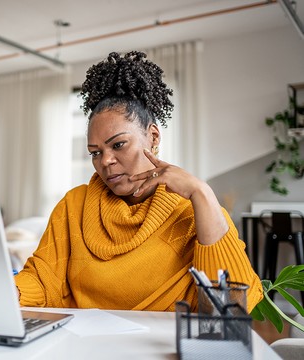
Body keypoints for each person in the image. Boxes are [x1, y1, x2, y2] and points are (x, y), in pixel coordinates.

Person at [14, 51, 262, 312]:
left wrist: (201, 192)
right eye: (95, 152)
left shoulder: (192, 214)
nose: (105, 161)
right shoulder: (74, 206)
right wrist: (4, 293)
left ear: (153, 136)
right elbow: (42, 280)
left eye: (118, 144)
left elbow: (231, 305)